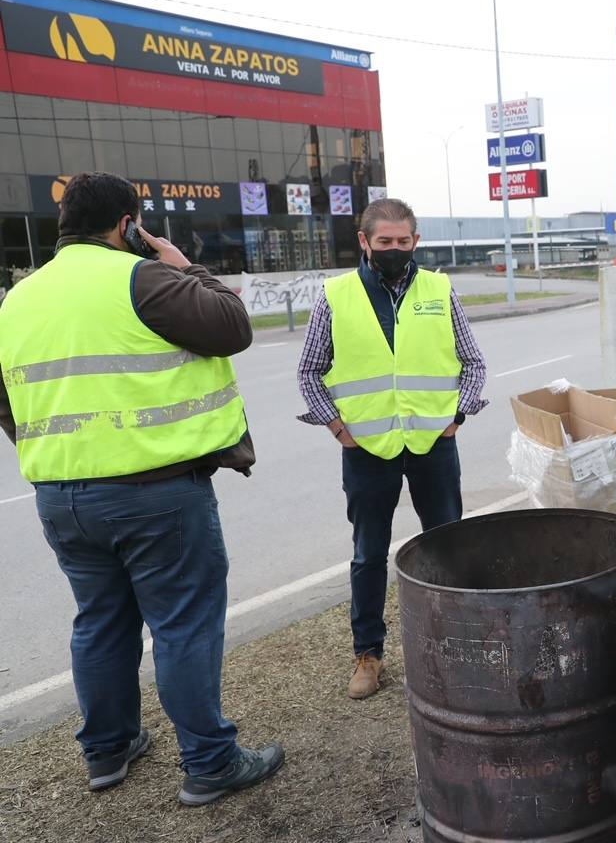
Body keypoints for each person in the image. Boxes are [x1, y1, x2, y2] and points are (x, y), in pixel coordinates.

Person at [0, 172, 284, 806]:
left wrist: (58, 454)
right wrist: (186, 267)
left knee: (99, 622)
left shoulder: (17, 298)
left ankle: (107, 751)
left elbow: (8, 396)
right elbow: (233, 325)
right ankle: (209, 763)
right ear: (128, 225)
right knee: (183, 625)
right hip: (156, 492)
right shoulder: (143, 278)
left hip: (61, 494)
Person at [297, 197, 487, 700]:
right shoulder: (335, 296)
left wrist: (458, 415)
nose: (395, 250)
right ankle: (369, 655)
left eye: (404, 242)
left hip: (433, 446)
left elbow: (473, 363)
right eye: (385, 242)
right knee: (368, 555)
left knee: (447, 546)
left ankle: (458, 643)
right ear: (365, 242)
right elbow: (309, 370)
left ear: (416, 241)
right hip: (366, 449)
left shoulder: (439, 289)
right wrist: (338, 428)